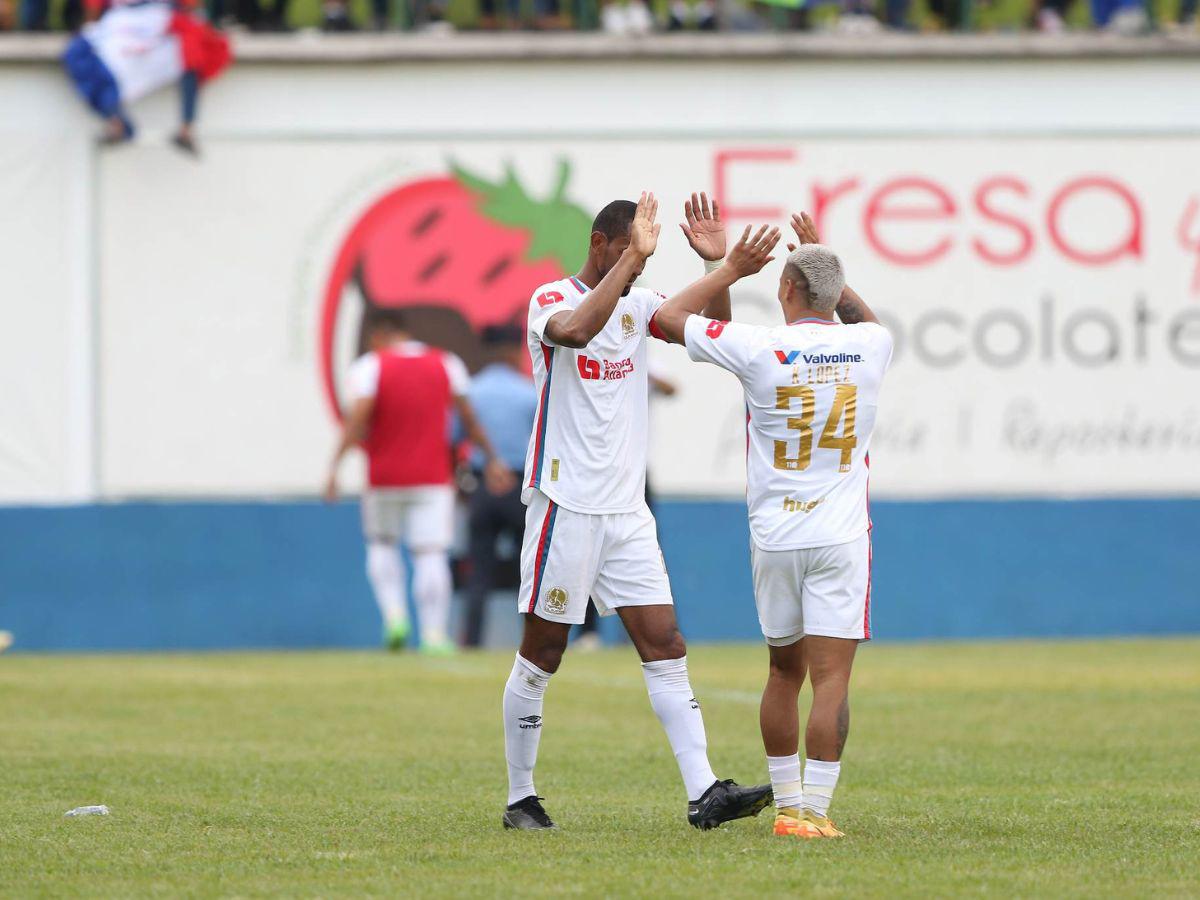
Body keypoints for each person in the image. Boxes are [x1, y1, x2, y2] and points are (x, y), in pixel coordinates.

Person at [501, 191, 782, 832]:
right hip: (565, 504)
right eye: (632, 249)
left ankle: (704, 791)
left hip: (627, 513)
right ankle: (521, 797)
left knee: (665, 644)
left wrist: (724, 269)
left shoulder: (640, 302)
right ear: (601, 244)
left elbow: (713, 340)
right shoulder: (550, 300)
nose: (643, 264)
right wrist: (634, 265)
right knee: (543, 653)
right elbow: (575, 332)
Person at [653, 210, 891, 840]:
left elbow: (666, 319)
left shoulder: (759, 347)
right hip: (840, 537)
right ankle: (814, 809)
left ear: (784, 290)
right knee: (832, 678)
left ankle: (788, 806)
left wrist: (724, 266)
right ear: (834, 296)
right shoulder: (872, 345)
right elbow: (864, 319)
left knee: (783, 672)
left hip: (775, 538)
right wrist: (827, 266)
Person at [324, 308, 514, 654]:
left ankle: (395, 617)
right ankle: (433, 634)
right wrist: (492, 459)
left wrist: (336, 466)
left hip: (384, 476)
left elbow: (358, 417)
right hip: (432, 477)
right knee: (431, 553)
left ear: (379, 335)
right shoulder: (446, 363)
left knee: (382, 544)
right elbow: (469, 419)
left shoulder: (370, 367)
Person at [61, 0, 230, 154]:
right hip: (120, 21)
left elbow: (192, 6)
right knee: (79, 53)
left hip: (160, 17)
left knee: (192, 49)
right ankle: (115, 120)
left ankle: (186, 128)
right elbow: (93, 7)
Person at [460, 324, 538, 649]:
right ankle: (532, 643)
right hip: (520, 486)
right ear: (511, 351)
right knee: (528, 572)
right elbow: (541, 441)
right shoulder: (527, 391)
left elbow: (455, 437)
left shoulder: (471, 391)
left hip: (481, 482)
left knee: (479, 570)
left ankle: (472, 642)